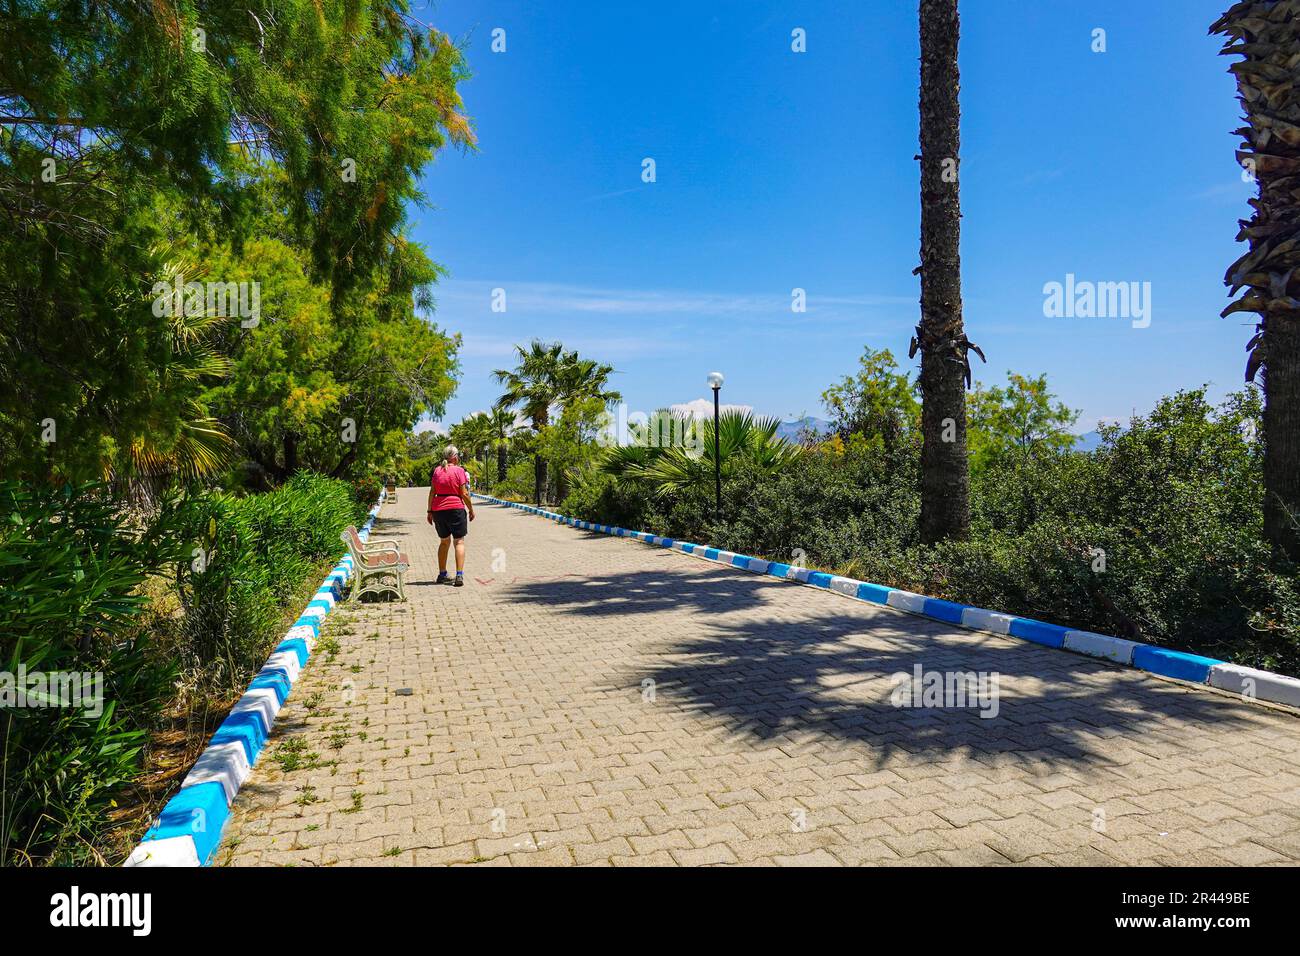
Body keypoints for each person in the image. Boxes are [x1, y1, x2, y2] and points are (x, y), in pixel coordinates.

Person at [426, 445, 475, 586]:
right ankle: (459, 575)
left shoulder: (437, 471)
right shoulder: (459, 471)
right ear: (454, 457)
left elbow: (432, 492)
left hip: (438, 510)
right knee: (459, 542)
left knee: (444, 542)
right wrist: (471, 509)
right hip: (456, 509)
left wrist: (429, 511)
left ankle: (442, 574)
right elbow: (464, 493)